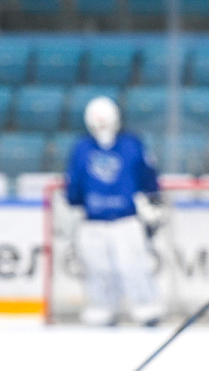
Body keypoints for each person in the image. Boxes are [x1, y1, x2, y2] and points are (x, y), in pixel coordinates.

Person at [65, 96, 166, 327]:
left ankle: (147, 310)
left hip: (126, 220)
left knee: (135, 267)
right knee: (97, 269)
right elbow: (74, 185)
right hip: (93, 222)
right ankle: (102, 309)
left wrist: (152, 199)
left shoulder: (131, 144)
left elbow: (148, 175)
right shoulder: (82, 148)